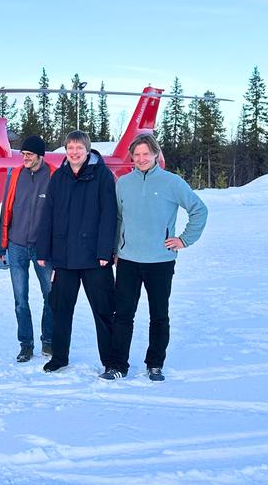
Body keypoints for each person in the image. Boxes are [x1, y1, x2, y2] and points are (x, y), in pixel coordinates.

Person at [101, 134, 207, 381]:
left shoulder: (172, 183)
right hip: (128, 261)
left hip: (160, 261)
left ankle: (155, 363)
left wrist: (184, 239)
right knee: (123, 315)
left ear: (156, 155)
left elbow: (199, 209)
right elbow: (117, 218)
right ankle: (118, 365)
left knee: (159, 315)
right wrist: (117, 247)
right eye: (136, 155)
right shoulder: (123, 183)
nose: (141, 159)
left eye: (146, 154)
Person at [36, 130, 117, 373]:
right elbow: (47, 215)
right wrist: (43, 250)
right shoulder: (59, 177)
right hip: (65, 257)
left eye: (78, 148)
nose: (74, 152)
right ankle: (59, 357)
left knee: (103, 310)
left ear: (87, 150)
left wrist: (105, 252)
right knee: (61, 309)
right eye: (70, 148)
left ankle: (110, 360)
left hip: (95, 258)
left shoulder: (103, 175)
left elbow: (109, 215)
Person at [0, 135, 56, 363]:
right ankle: (26, 344)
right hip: (17, 244)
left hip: (43, 249)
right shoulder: (15, 175)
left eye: (29, 155)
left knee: (50, 295)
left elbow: (59, 216)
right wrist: (2, 244)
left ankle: (48, 340)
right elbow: (6, 210)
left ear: (40, 155)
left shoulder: (54, 176)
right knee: (20, 298)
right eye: (23, 154)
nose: (25, 158)